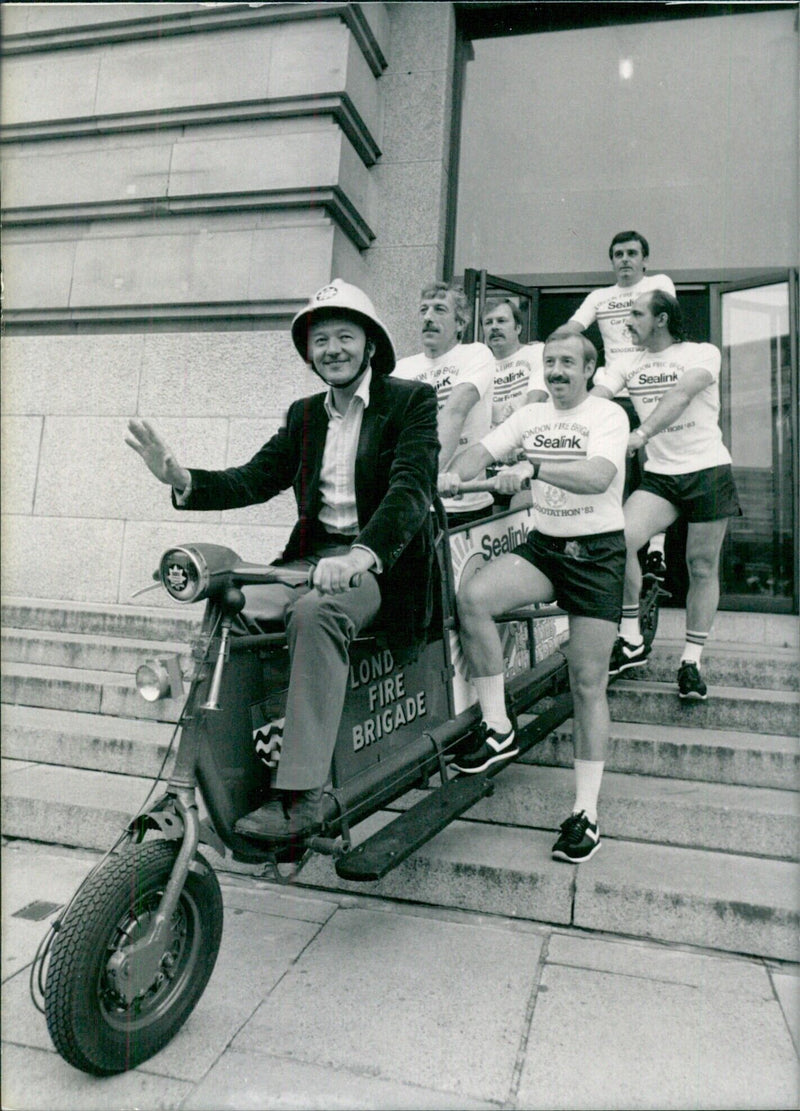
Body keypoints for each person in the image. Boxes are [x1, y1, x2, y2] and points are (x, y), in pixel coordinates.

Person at [126, 279, 440, 842]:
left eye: (346, 336)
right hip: (309, 561)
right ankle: (246, 763)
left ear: (371, 345)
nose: (333, 350)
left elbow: (410, 490)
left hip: (378, 570)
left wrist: (362, 554)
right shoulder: (304, 416)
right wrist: (182, 479)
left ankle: (303, 795)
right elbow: (254, 477)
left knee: (315, 614)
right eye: (321, 340)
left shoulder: (410, 402)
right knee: (235, 611)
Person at [439, 330, 629, 863]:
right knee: (473, 599)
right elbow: (482, 449)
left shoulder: (607, 416)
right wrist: (449, 476)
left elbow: (598, 477)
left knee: (586, 683)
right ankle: (499, 729)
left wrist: (533, 468)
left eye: (569, 362)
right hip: (546, 548)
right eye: (551, 362)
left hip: (597, 556)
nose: (558, 370)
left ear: (590, 369)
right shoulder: (531, 415)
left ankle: (586, 814)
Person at [593, 290, 741, 700]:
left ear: (661, 319)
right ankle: (631, 637)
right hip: (661, 477)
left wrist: (640, 434)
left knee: (702, 565)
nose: (628, 322)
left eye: (636, 314)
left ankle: (691, 662)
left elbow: (679, 395)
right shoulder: (626, 361)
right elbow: (597, 399)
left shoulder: (701, 352)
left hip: (707, 470)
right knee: (616, 541)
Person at [563, 230, 676, 579]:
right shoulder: (600, 296)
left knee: (655, 471)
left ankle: (656, 551)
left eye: (631, 253)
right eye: (618, 254)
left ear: (644, 259)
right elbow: (571, 330)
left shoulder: (659, 283)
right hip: (613, 392)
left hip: (651, 388)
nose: (624, 259)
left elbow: (664, 320)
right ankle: (612, 549)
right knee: (612, 473)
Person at [394, 281, 495, 525]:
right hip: (414, 506)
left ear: (460, 323)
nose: (428, 317)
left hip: (464, 503)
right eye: (423, 310)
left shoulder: (476, 354)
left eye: (439, 309)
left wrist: (422, 478)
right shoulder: (401, 368)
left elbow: (455, 412)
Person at [482, 297, 548, 508]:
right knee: (493, 532)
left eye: (501, 321)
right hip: (492, 465)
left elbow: (536, 397)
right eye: (488, 322)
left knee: (520, 518)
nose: (495, 327)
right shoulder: (482, 365)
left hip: (527, 459)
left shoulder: (536, 352)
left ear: (518, 327)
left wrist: (513, 437)